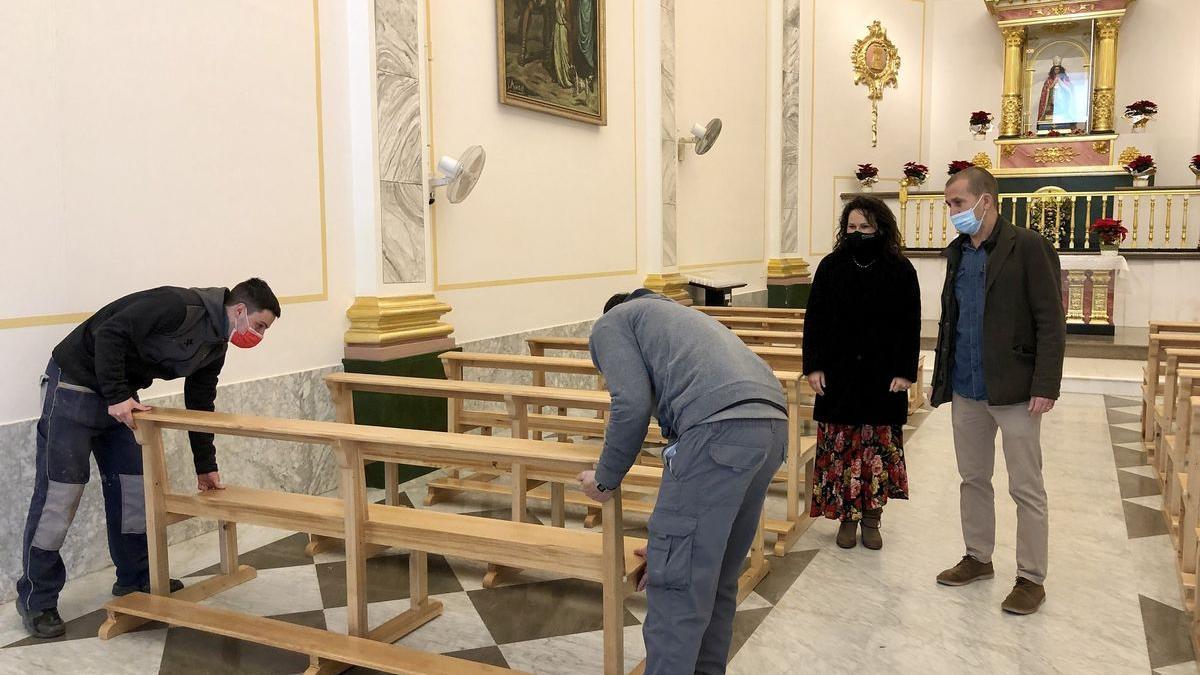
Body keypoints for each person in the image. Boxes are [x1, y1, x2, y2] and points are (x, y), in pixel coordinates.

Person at [16, 279, 280, 638]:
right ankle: (37, 599)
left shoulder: (215, 346)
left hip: (121, 397)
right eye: (260, 325)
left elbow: (200, 403)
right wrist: (116, 396)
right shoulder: (176, 305)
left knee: (134, 491)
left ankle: (135, 578)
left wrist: (206, 466)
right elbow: (110, 333)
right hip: (74, 385)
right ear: (239, 310)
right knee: (59, 497)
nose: (259, 335)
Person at [578, 289, 788, 675]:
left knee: (677, 590)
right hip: (771, 427)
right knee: (717, 577)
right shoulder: (681, 318)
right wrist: (669, 543)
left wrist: (605, 479)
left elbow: (631, 404)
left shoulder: (612, 322)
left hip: (720, 429)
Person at [931, 167, 1065, 615]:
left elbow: (1051, 320)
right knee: (973, 478)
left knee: (1026, 487)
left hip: (1015, 389)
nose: (952, 211)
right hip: (967, 386)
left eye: (957, 203)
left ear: (985, 200)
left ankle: (1031, 578)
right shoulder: (957, 252)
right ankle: (977, 557)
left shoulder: (1027, 246)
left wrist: (1045, 384)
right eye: (949, 204)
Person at [802, 196, 920, 550]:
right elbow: (815, 320)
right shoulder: (831, 266)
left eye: (865, 227)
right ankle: (846, 518)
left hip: (882, 376)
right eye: (851, 227)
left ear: (880, 228)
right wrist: (813, 365)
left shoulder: (900, 269)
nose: (857, 233)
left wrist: (905, 371)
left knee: (875, 450)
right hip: (838, 374)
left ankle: (871, 518)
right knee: (842, 450)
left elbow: (909, 324)